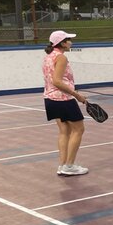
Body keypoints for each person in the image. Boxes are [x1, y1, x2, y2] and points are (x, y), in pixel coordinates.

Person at [42, 30, 89, 176]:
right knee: (79, 129)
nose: (71, 42)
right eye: (68, 40)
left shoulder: (48, 56)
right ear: (62, 43)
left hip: (50, 99)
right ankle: (69, 166)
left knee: (64, 132)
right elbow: (57, 81)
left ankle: (62, 165)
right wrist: (77, 95)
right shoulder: (61, 58)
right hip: (63, 99)